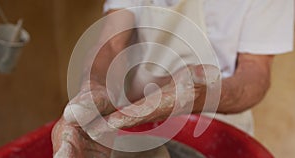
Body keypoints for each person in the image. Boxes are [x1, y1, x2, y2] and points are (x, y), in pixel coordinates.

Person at [52, 0, 294, 157]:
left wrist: (201, 95)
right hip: (133, 117)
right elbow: (112, 44)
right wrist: (93, 88)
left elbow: (255, 73)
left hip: (218, 124)